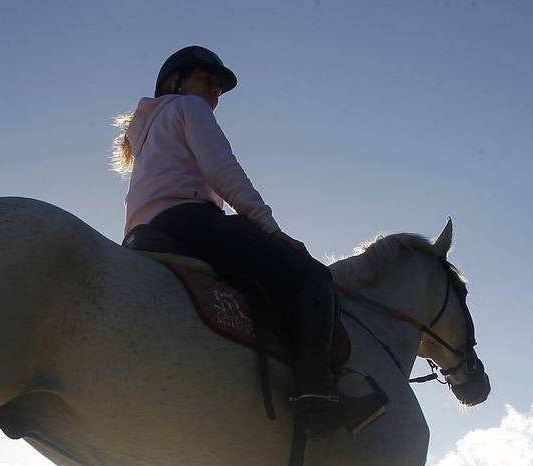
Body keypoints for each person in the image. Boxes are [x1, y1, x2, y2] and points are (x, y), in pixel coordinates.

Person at [112, 46, 362, 434]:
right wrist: (271, 229)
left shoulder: (142, 133)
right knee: (312, 277)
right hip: (190, 221)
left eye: (219, 88)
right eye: (207, 80)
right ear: (174, 82)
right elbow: (222, 172)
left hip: (142, 232)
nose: (215, 91)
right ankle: (317, 395)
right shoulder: (188, 108)